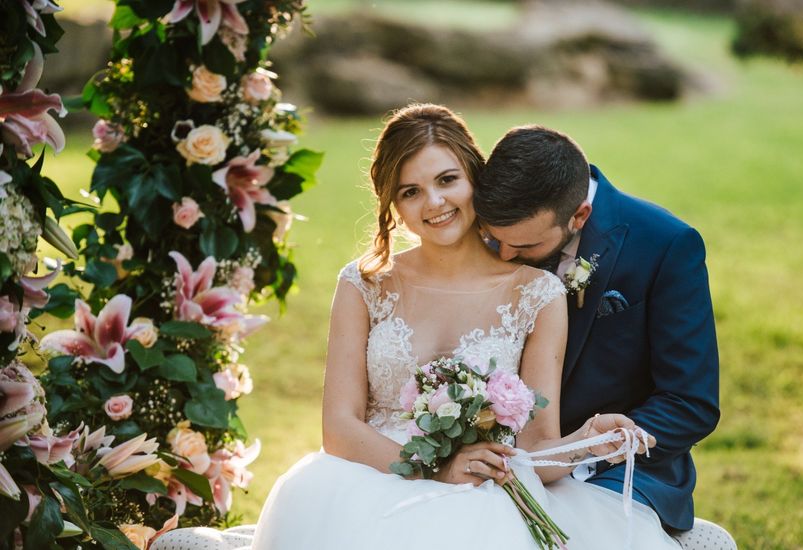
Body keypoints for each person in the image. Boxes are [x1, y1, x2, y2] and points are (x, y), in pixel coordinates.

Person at [245, 104, 680, 550]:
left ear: (474, 177)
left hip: (488, 491)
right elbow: (339, 427)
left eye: (447, 180)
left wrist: (589, 439)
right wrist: (436, 469)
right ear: (393, 204)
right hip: (365, 478)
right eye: (410, 191)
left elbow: (535, 450)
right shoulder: (363, 283)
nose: (433, 203)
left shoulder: (538, 293)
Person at [473, 126, 722, 540]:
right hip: (497, 455)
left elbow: (689, 401)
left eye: (524, 246)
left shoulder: (666, 245)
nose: (502, 256)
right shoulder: (486, 237)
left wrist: (584, 452)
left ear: (579, 216)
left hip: (614, 471)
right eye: (493, 238)